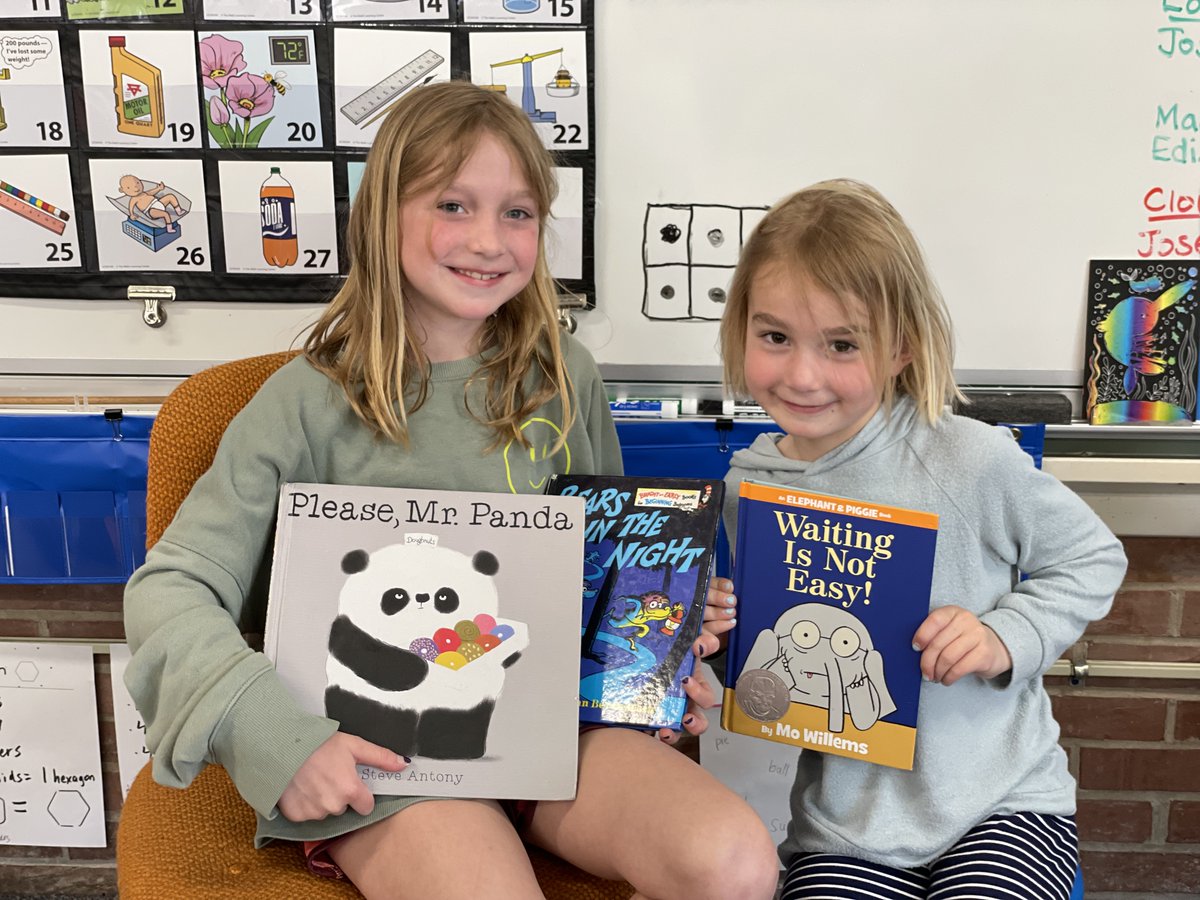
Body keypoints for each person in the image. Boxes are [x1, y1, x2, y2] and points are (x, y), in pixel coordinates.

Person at [122, 80, 779, 900]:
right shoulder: (302, 404)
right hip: (385, 751)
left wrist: (662, 648)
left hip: (555, 731)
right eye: (453, 205)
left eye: (518, 212)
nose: (488, 239)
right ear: (382, 215)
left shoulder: (565, 375)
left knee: (735, 862)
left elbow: (611, 568)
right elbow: (171, 589)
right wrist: (275, 736)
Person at [696, 178, 1126, 899]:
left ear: (900, 348)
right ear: (740, 329)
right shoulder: (750, 485)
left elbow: (1092, 557)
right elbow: (774, 657)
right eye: (775, 337)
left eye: (842, 344)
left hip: (1002, 808)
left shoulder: (965, 456)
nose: (802, 374)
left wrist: (1005, 635)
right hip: (845, 826)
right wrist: (716, 632)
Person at [118, 175, 183, 232]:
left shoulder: (144, 193)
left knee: (171, 196)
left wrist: (159, 188)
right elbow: (131, 207)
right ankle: (169, 228)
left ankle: (179, 211)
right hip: (150, 211)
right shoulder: (134, 199)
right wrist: (131, 215)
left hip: (158, 203)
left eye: (137, 183)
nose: (136, 187)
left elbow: (152, 192)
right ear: (123, 190)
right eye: (129, 187)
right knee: (166, 214)